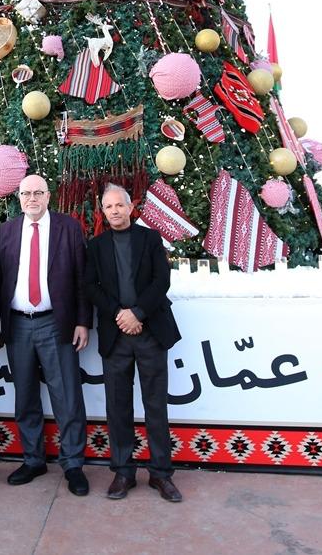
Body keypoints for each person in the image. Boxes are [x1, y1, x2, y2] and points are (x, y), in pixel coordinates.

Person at [0, 174, 92, 496]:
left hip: (56, 323)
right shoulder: (7, 231)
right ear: (19, 198)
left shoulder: (68, 227)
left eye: (38, 193)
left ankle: (73, 464)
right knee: (25, 396)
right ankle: (33, 460)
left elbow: (82, 278)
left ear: (48, 196)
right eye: (26, 193)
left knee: (67, 396)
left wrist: (82, 321)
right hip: (18, 324)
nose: (32, 198)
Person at [83, 184, 184, 502]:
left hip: (150, 331)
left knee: (156, 405)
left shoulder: (150, 239)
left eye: (119, 205)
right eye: (108, 206)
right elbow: (90, 286)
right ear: (103, 211)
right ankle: (123, 472)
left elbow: (161, 280)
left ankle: (161, 474)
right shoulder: (95, 246)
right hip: (116, 336)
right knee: (118, 406)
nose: (114, 210)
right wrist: (120, 314)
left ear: (130, 207)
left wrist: (138, 313)